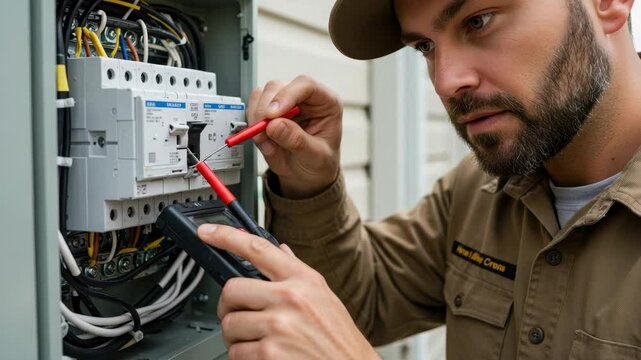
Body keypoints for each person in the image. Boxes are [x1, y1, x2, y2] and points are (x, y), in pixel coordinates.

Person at [197, 0, 641, 358]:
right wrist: (309, 184)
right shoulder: (480, 192)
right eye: (426, 47)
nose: (446, 81)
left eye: (479, 21)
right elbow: (360, 299)